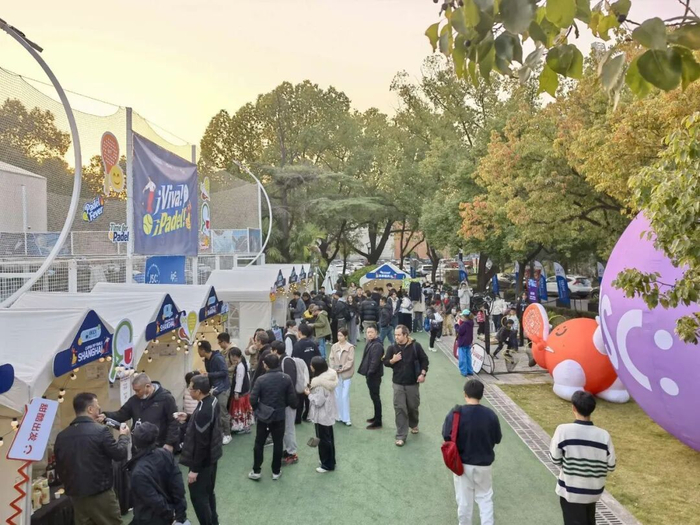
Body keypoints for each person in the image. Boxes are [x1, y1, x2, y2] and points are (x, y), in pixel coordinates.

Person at [55, 392, 129, 525]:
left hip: (76, 495)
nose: (99, 408)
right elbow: (120, 454)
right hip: (100, 493)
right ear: (90, 409)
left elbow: (60, 466)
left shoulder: (62, 436)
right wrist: (123, 436)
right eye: (97, 406)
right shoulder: (101, 431)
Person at [550, 391, 616, 525]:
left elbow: (555, 459)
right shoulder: (604, 435)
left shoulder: (563, 430)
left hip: (570, 490)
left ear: (573, 408)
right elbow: (611, 465)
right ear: (592, 409)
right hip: (593, 492)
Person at [442, 379, 502, 525]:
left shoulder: (456, 413)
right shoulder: (490, 415)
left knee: (464, 500)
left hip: (462, 464)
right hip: (484, 464)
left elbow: (446, 435)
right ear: (482, 395)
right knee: (485, 497)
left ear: (465, 394)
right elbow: (497, 438)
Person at [178, 375, 222, 525]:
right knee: (208, 494)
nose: (189, 390)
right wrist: (188, 417)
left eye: (190, 388)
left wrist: (194, 470)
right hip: (212, 458)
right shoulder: (212, 401)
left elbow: (202, 444)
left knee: (198, 498)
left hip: (202, 463)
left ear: (198, 391)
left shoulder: (203, 410)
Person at [248, 353, 298, 481]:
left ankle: (256, 470)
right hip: (279, 416)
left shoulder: (261, 380)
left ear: (265, 365)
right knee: (278, 443)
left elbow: (253, 399)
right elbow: (292, 399)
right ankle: (276, 471)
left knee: (259, 443)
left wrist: (258, 409)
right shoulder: (286, 378)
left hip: (263, 417)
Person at [127, 422, 188, 525]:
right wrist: (179, 513)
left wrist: (172, 516)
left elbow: (154, 501)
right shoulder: (166, 454)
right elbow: (178, 486)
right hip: (172, 514)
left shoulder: (138, 472)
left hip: (151, 518)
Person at [102, 373, 179, 452]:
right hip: (138, 447)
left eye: (138, 390)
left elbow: (173, 421)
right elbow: (121, 414)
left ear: (147, 386)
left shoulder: (166, 398)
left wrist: (170, 443)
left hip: (159, 446)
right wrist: (105, 416)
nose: (136, 393)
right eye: (135, 391)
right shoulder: (134, 400)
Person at [383, 325, 429, 447]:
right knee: (400, 408)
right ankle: (401, 436)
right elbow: (385, 362)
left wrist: (423, 374)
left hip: (412, 383)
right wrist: (392, 360)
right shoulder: (392, 347)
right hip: (398, 383)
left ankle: (413, 423)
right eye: (395, 335)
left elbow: (424, 360)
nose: (396, 337)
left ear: (405, 335)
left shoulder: (415, 346)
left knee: (413, 406)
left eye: (399, 335)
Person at [305, 356, 339, 473]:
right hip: (328, 413)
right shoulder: (330, 376)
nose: (310, 366)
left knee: (323, 440)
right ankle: (331, 461)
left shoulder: (319, 384)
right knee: (329, 438)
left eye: (312, 365)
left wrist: (309, 394)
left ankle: (326, 464)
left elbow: (318, 401)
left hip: (322, 415)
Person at [270, 340, 300, 466]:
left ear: (275, 350)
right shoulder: (284, 360)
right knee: (285, 428)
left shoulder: (286, 361)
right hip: (285, 401)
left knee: (289, 428)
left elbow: (289, 383)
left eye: (272, 350)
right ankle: (288, 450)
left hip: (288, 402)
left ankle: (292, 453)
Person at [199, 340, 232, 445]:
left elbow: (224, 372)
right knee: (217, 412)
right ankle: (220, 433)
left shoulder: (218, 358)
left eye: (199, 350)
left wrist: (209, 374)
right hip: (215, 388)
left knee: (222, 411)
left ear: (203, 350)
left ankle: (227, 434)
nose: (198, 352)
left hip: (223, 388)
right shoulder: (207, 360)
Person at [292, 323, 321, 423]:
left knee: (300, 395)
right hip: (312, 374)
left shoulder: (297, 345)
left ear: (299, 332)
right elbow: (318, 357)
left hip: (301, 374)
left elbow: (294, 360)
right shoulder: (313, 343)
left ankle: (298, 418)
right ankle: (308, 415)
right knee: (309, 394)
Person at [358, 325, 384, 429]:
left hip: (374, 376)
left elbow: (375, 362)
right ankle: (376, 417)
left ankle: (378, 421)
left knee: (375, 397)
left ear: (376, 332)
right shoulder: (371, 342)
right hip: (371, 374)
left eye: (371, 332)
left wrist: (369, 373)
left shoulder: (377, 345)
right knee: (374, 397)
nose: (369, 334)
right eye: (367, 332)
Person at [329, 328, 355, 426]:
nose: (339, 337)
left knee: (345, 396)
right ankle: (338, 416)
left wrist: (343, 368)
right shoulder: (334, 346)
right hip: (336, 374)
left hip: (346, 374)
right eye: (338, 335)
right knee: (337, 395)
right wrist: (334, 368)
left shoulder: (350, 347)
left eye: (341, 335)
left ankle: (346, 418)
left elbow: (350, 361)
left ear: (345, 336)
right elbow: (331, 358)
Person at [227, 347, 253, 434]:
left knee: (239, 410)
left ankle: (241, 427)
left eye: (231, 356)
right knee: (244, 410)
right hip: (245, 392)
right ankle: (245, 426)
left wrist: (236, 392)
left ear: (234, 356)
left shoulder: (240, 366)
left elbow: (239, 380)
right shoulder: (243, 363)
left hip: (240, 392)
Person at [456, 310, 475, 377]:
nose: (461, 317)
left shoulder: (464, 325)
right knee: (468, 357)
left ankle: (463, 371)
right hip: (468, 341)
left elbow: (460, 331)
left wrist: (456, 325)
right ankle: (469, 370)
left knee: (462, 358)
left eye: (462, 316)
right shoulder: (471, 323)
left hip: (462, 342)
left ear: (465, 317)